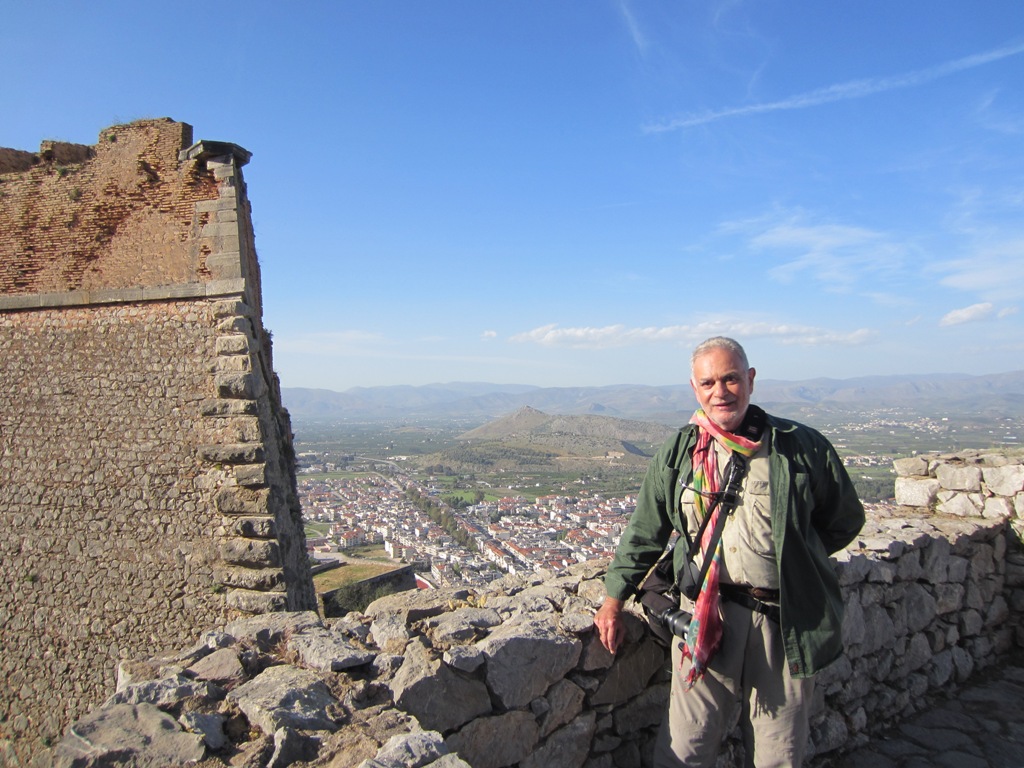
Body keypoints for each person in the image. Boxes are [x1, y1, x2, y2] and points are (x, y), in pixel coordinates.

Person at [593, 337, 864, 768]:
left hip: (783, 621)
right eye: (708, 382)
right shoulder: (680, 452)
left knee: (779, 753)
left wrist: (795, 557)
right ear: (694, 389)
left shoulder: (801, 448)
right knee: (686, 748)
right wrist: (613, 600)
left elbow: (843, 521)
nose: (720, 391)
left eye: (731, 378)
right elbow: (646, 532)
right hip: (702, 618)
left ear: (750, 380)